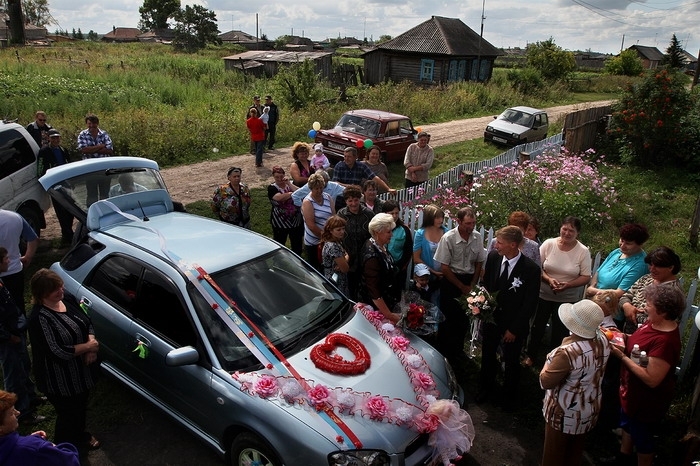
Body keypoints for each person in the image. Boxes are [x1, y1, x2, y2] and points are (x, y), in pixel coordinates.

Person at [608, 284, 684, 466]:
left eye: (649, 304)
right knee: (628, 426)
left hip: (646, 401)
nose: (644, 307)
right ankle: (623, 458)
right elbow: (638, 342)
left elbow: (652, 379)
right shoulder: (653, 323)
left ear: (663, 311)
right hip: (632, 393)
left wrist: (621, 357)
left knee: (643, 439)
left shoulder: (665, 342)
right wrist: (622, 337)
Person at [28, 269, 101, 457]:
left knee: (81, 406)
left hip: (80, 372)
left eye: (61, 286)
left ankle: (80, 435)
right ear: (42, 294)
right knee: (68, 414)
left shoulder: (65, 298)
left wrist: (91, 346)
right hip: (59, 379)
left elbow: (87, 321)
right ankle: (63, 449)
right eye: (55, 290)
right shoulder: (39, 318)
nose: (61, 291)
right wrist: (88, 346)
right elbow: (58, 351)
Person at [476, 226, 540, 411]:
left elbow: (529, 304)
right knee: (488, 355)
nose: (496, 245)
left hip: (513, 324)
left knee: (511, 361)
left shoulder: (530, 269)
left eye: (500, 242)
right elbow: (487, 285)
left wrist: (514, 329)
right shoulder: (494, 258)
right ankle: (485, 387)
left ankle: (508, 396)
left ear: (513, 245)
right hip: (492, 320)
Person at [540, 299, 610, 466]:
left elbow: (545, 381)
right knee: (574, 453)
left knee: (553, 455)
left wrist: (548, 360)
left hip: (563, 412)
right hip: (588, 407)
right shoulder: (603, 341)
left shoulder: (567, 353)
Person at [524, 216, 592, 367]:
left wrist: (568, 285)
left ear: (577, 233)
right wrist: (549, 280)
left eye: (571, 231)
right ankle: (531, 355)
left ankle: (554, 360)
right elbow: (537, 267)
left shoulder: (583, 251)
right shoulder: (549, 244)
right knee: (537, 327)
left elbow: (586, 277)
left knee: (560, 331)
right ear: (560, 228)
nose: (567, 233)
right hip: (543, 294)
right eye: (565, 229)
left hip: (567, 298)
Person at [434, 207, 487, 375]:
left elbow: (479, 262)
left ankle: (458, 350)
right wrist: (460, 286)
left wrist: (472, 283)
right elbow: (444, 267)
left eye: (473, 223)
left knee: (464, 318)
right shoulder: (448, 238)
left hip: (468, 279)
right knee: (447, 318)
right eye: (467, 224)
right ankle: (444, 353)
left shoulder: (477, 237)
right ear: (459, 221)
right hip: (452, 281)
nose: (471, 227)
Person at [0, 247, 44, 426]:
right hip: (7, 339)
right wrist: (10, 337)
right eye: (5, 259)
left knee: (23, 366)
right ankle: (22, 412)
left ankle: (30, 397)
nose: (8, 261)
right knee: (13, 374)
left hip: (14, 332)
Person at [586, 223, 650, 326]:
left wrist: (592, 290)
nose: (622, 245)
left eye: (628, 243)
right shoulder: (617, 252)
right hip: (594, 304)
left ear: (639, 244)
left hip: (609, 313)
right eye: (622, 240)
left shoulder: (640, 264)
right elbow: (598, 272)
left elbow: (620, 292)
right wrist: (592, 284)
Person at [0, 390, 80, 466]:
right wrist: (51, 446)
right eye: (11, 413)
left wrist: (28, 440)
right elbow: (70, 461)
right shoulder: (35, 448)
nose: (18, 413)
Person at [619, 246, 682, 334]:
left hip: (649, 337)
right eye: (651, 265)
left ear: (670, 267)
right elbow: (626, 296)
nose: (652, 269)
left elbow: (665, 321)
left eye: (657, 266)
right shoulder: (646, 279)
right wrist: (626, 306)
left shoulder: (673, 293)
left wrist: (634, 314)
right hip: (628, 333)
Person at [360, 213, 401, 323]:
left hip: (387, 300)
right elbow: (374, 291)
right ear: (378, 232)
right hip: (375, 309)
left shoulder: (379, 245)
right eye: (388, 232)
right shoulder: (372, 256)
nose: (391, 235)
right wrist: (389, 314)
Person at [338, 186, 375, 300]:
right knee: (350, 285)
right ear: (346, 201)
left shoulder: (368, 214)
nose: (353, 203)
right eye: (350, 201)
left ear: (360, 199)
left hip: (365, 257)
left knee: (366, 285)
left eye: (356, 200)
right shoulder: (341, 214)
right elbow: (337, 234)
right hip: (348, 256)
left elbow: (374, 235)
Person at [37, 130, 74, 244]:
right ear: (49, 138)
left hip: (66, 183)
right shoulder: (44, 151)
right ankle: (67, 235)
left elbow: (70, 165)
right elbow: (40, 168)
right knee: (60, 210)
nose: (56, 140)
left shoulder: (63, 150)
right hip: (54, 184)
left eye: (57, 138)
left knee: (71, 208)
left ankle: (69, 231)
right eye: (53, 138)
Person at [412, 204, 447, 307]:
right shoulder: (420, 234)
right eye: (437, 217)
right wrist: (433, 272)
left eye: (442, 217)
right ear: (429, 218)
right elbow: (416, 258)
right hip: (426, 276)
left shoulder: (446, 232)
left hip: (443, 275)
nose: (440, 220)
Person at [301, 173, 335, 272]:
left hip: (328, 238)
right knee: (315, 269)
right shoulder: (308, 202)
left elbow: (333, 216)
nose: (319, 190)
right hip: (314, 242)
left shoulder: (328, 197)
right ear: (311, 188)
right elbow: (311, 225)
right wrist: (326, 237)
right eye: (316, 188)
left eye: (321, 188)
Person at [77, 114, 113, 205]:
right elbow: (84, 150)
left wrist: (91, 149)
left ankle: (106, 211)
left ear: (97, 123)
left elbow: (109, 150)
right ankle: (91, 213)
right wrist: (100, 146)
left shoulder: (104, 134)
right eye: (89, 123)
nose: (92, 125)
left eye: (94, 123)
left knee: (105, 194)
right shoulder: (82, 134)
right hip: (90, 170)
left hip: (104, 170)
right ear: (86, 124)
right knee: (91, 194)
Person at [268, 166, 303, 255]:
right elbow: (279, 198)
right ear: (273, 177)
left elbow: (301, 193)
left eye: (281, 176)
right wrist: (292, 193)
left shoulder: (291, 183)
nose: (279, 179)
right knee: (280, 242)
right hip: (280, 221)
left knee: (297, 243)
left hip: (295, 220)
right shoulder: (272, 188)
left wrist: (289, 184)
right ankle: (279, 259)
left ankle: (297, 258)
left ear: (284, 175)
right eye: (277, 177)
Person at [382, 200, 413, 300]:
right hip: (382, 269)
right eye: (391, 213)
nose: (394, 216)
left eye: (396, 213)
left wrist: (400, 267)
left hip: (398, 269)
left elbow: (408, 250)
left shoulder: (404, 229)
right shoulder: (379, 228)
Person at [321, 215, 350, 296]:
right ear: (330, 230)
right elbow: (345, 268)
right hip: (336, 281)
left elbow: (346, 254)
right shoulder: (333, 246)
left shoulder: (336, 241)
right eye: (338, 230)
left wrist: (345, 259)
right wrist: (345, 260)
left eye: (343, 229)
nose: (342, 232)